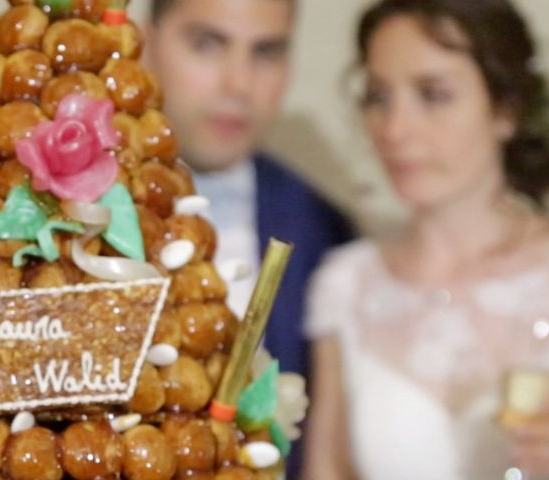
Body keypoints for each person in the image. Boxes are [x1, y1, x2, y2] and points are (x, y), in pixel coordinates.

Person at [304, 0, 549, 478]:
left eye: (433, 95)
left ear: (506, 109)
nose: (395, 129)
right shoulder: (346, 285)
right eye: (379, 97)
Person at [143, 0, 354, 475]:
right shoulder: (57, 206)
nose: (238, 84)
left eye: (266, 52)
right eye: (207, 44)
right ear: (147, 40)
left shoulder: (325, 232)